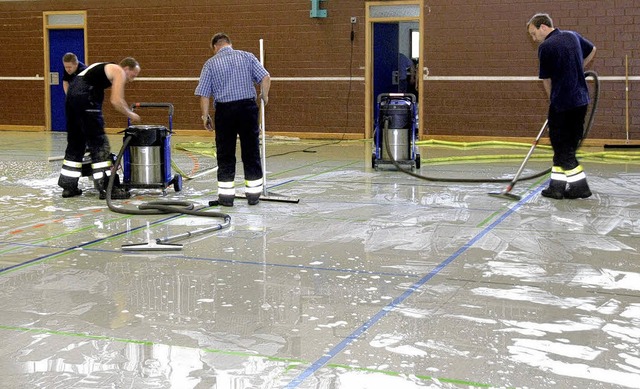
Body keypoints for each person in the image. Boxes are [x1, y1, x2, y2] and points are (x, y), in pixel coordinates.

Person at [195, 32, 271, 206]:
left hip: (225, 112)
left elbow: (204, 94)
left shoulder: (210, 63)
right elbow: (265, 77)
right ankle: (253, 196)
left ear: (215, 47)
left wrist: (205, 116)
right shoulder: (247, 56)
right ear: (229, 43)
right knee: (251, 151)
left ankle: (227, 198)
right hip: (247, 109)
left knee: (225, 154)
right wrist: (264, 96)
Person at [527, 13, 596, 199]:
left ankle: (580, 187)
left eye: (534, 34)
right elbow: (592, 49)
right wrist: (577, 69)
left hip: (562, 104)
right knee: (565, 147)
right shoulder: (572, 35)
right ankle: (556, 187)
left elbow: (546, 79)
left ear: (543, 27)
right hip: (581, 102)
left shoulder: (546, 47)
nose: (534, 39)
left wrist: (553, 99)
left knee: (563, 149)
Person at [57, 57, 141, 199]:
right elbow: (116, 100)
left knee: (76, 143)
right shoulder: (118, 70)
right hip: (86, 97)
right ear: (126, 68)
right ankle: (107, 188)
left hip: (71, 96)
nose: (131, 80)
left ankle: (68, 187)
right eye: (133, 76)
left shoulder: (99, 67)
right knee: (99, 144)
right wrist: (131, 114)